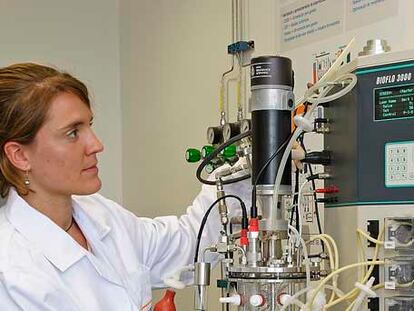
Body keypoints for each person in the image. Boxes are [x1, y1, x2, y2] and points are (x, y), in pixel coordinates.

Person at [0, 63, 250, 310]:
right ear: (20, 156)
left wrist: (241, 174)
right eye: (73, 133)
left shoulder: (99, 215)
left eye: (90, 125)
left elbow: (189, 246)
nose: (96, 144)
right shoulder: (12, 274)